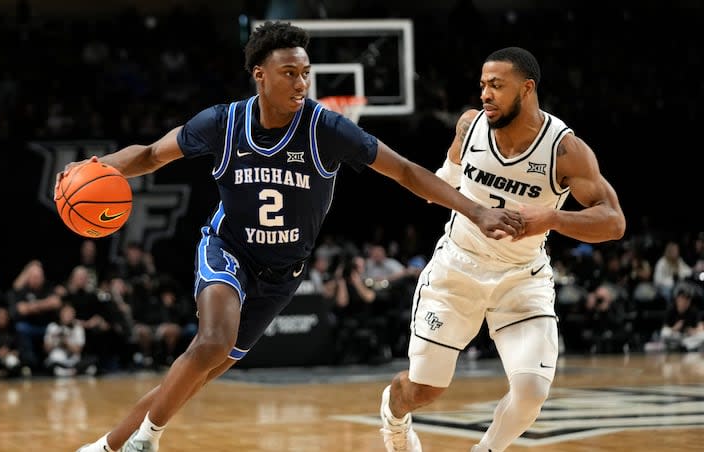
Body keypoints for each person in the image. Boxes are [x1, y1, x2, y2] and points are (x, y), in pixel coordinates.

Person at [63, 21, 524, 452]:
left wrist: (474, 209)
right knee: (211, 341)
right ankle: (146, 441)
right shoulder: (222, 123)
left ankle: (105, 447)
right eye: (290, 73)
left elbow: (403, 170)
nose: (302, 83)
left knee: (197, 373)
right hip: (229, 250)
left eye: (306, 73)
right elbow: (147, 155)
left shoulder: (326, 128)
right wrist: (95, 168)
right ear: (260, 76)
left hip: (281, 277)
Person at [378, 46, 626, 452]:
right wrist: (453, 198)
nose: (485, 94)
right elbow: (447, 179)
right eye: (482, 85)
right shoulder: (469, 126)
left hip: (521, 278)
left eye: (496, 85)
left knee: (530, 390)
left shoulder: (564, 150)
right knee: (423, 390)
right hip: (457, 269)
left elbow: (614, 222)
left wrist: (553, 218)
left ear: (526, 89)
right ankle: (393, 412)